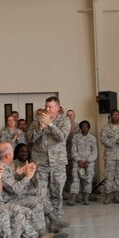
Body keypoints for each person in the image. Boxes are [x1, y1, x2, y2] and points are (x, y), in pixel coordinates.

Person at [27, 96, 72, 229]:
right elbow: (29, 138)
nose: (47, 109)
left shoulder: (65, 120)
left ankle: (56, 224)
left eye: (50, 107)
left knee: (56, 193)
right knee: (41, 194)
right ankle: (44, 224)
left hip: (57, 163)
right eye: (46, 106)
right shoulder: (37, 121)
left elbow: (61, 137)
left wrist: (50, 125)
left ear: (58, 108)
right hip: (40, 164)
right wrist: (40, 128)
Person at [99, 109, 119, 204]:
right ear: (111, 116)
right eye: (114, 114)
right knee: (109, 175)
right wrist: (115, 142)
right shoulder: (106, 128)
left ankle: (117, 195)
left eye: (118, 114)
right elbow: (103, 139)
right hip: (110, 155)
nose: (116, 116)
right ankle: (108, 195)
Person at [68, 121, 97, 205]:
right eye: (83, 127)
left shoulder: (92, 138)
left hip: (89, 163)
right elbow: (73, 150)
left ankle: (86, 198)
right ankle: (73, 198)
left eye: (86, 127)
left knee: (88, 180)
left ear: (89, 128)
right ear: (80, 128)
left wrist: (88, 161)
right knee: (75, 180)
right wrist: (79, 160)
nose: (85, 128)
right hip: (77, 162)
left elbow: (94, 152)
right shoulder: (75, 137)